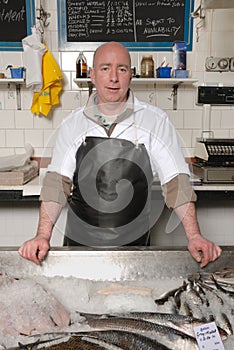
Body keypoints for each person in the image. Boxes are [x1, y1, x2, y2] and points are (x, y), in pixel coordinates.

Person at [18, 42, 222, 267]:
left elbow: (177, 183)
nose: (114, 77)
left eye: (122, 69)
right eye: (105, 69)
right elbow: (56, 185)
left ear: (131, 75)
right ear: (93, 75)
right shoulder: (72, 124)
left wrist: (194, 236)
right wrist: (42, 236)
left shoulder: (154, 120)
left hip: (134, 249)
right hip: (78, 249)